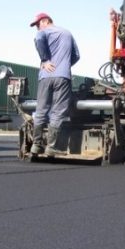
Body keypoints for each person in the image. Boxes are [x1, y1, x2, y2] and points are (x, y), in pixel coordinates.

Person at [29, 13, 80, 157]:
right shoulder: (67, 33)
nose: (37, 28)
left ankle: (36, 145)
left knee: (41, 110)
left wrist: (45, 60)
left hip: (45, 76)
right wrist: (64, 65)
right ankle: (51, 147)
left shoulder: (43, 32)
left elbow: (38, 38)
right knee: (57, 112)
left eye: (38, 24)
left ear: (45, 21)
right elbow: (76, 55)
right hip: (62, 77)